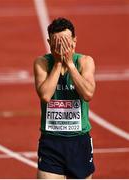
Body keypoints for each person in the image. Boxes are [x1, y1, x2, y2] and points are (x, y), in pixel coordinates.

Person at [34, 17, 96, 179]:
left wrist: (69, 64)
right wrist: (58, 63)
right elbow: (45, 95)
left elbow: (88, 94)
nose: (62, 47)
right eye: (57, 43)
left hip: (79, 141)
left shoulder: (85, 62)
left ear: (74, 41)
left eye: (66, 42)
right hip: (51, 141)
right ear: (49, 42)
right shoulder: (42, 63)